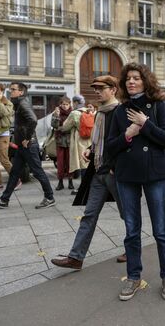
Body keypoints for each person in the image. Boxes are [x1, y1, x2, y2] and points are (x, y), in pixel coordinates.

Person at [107, 62, 165, 301]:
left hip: (155, 175)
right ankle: (133, 277)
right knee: (131, 230)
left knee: (161, 230)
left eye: (136, 78)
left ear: (145, 81)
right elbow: (110, 147)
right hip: (127, 176)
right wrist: (128, 134)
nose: (131, 82)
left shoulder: (157, 106)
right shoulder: (119, 110)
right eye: (128, 79)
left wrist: (145, 124)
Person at [51, 75, 126, 270]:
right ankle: (76, 257)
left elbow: (126, 142)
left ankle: (133, 248)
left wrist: (114, 165)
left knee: (127, 214)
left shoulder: (119, 112)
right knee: (89, 215)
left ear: (113, 90)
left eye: (102, 88)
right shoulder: (100, 112)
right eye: (96, 88)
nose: (97, 91)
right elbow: (99, 139)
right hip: (98, 171)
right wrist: (91, 150)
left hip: (114, 173)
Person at [0, 83, 55, 209]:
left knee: (38, 172)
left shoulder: (23, 104)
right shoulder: (18, 104)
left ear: (21, 92)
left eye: (13, 90)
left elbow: (33, 120)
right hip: (22, 147)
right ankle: (4, 199)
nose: (10, 91)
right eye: (10, 89)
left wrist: (27, 138)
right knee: (14, 173)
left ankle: (49, 197)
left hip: (28, 145)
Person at [59, 94, 91, 193]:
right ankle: (88, 186)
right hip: (89, 141)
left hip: (79, 140)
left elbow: (65, 127)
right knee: (88, 164)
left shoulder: (74, 113)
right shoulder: (89, 111)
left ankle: (84, 187)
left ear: (76, 103)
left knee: (82, 165)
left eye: (73, 102)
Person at [51, 96, 73, 191]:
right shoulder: (56, 113)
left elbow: (75, 126)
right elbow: (54, 126)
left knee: (70, 162)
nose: (65, 106)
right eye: (63, 104)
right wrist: (56, 116)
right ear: (60, 104)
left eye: (67, 104)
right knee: (60, 163)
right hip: (60, 141)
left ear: (69, 104)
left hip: (70, 141)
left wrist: (62, 129)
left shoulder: (73, 113)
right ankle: (60, 182)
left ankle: (70, 182)